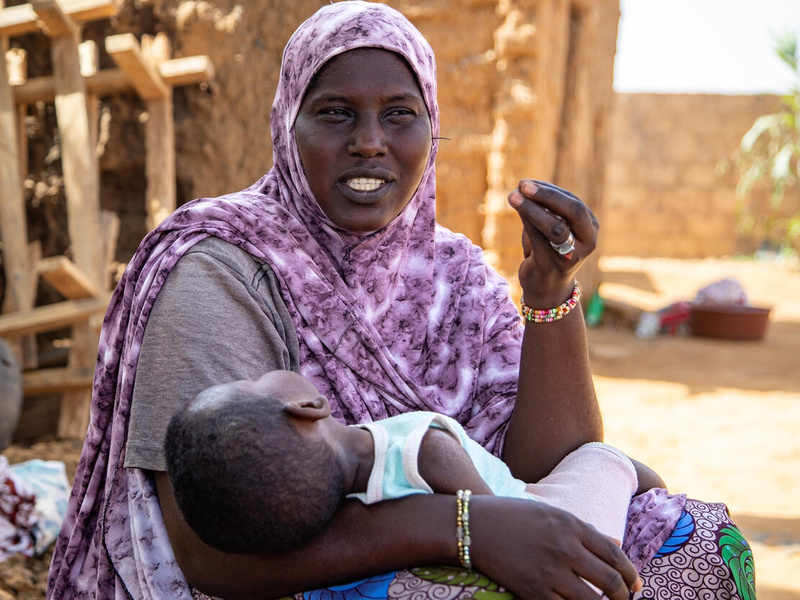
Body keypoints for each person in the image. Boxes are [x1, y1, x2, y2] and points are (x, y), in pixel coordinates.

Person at [48, 2, 755, 600]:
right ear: (286, 129)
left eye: (399, 114)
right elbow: (206, 551)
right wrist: (464, 531)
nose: (369, 143)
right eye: (333, 114)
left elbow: (554, 463)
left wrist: (549, 295)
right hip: (303, 580)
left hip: (489, 530)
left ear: (432, 128)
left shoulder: (452, 273)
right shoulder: (221, 269)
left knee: (701, 548)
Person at [164, 371, 641, 559]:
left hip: (524, 510)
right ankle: (648, 491)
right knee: (601, 458)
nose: (261, 373)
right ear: (307, 407)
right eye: (257, 380)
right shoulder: (421, 449)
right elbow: (504, 520)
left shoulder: (339, 505)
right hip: (552, 523)